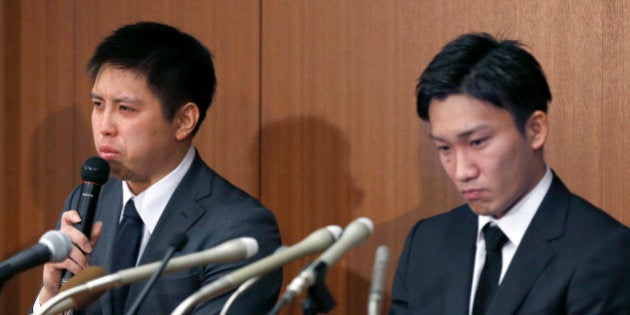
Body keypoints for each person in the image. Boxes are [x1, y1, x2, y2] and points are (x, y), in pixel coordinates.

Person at [33, 21, 282, 314]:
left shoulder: (240, 230)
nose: (104, 126)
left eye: (125, 108)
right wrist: (51, 296)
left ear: (183, 120)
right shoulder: (87, 202)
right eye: (98, 104)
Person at [389, 32, 630, 314]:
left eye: (477, 142)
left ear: (535, 130)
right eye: (444, 148)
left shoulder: (603, 251)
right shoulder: (427, 242)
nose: (461, 171)